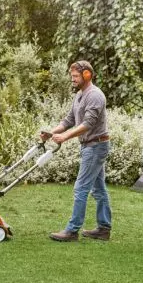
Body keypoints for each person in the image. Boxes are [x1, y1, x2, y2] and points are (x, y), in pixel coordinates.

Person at [40, 60, 112, 241]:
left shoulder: (95, 96)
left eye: (75, 76)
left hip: (96, 146)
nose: (72, 79)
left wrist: (65, 137)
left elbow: (88, 124)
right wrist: (52, 132)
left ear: (87, 75)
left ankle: (72, 231)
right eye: (71, 76)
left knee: (81, 188)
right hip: (90, 146)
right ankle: (104, 228)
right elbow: (69, 120)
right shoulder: (80, 95)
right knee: (99, 189)